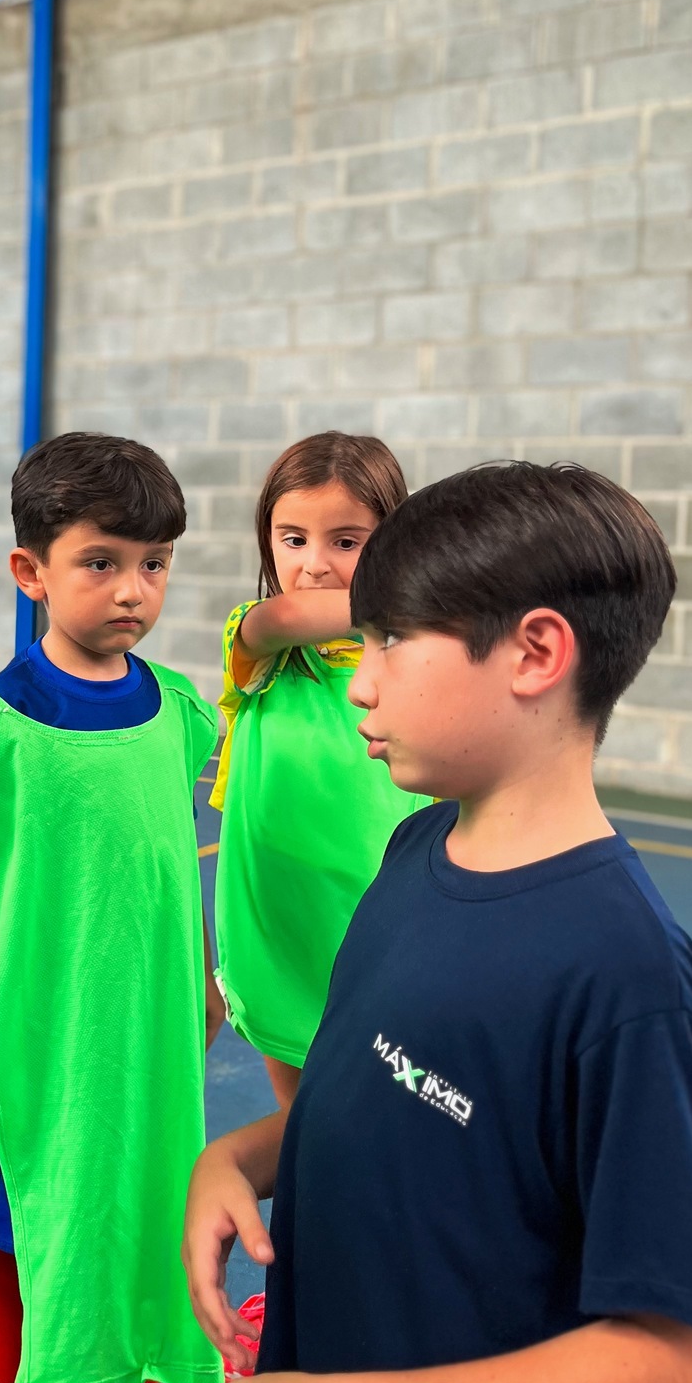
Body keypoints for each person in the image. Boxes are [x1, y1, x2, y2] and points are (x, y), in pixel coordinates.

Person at [181, 460, 692, 1383]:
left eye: (388, 646)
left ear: (533, 653)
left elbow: (676, 1355)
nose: (359, 688)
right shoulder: (414, 856)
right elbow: (375, 1092)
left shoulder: (626, 984)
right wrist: (240, 1159)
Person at [0, 431, 224, 1383]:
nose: (133, 591)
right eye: (101, 562)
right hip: (36, 1039)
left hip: (148, 1033)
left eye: (153, 564)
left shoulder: (179, 712)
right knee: (34, 1225)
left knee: (148, 1206)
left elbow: (178, 857)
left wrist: (203, 970)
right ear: (30, 573)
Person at [212, 433, 425, 1114]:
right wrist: (433, 587)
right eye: (293, 538)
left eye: (346, 541)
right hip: (281, 928)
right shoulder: (259, 639)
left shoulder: (414, 657)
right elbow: (292, 614)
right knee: (305, 1123)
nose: (313, 564)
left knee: (386, 1122)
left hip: (382, 928)